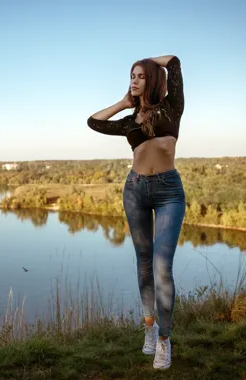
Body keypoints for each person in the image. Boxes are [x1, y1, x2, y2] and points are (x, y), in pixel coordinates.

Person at [86, 55, 185, 370]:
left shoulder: (173, 107)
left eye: (141, 75)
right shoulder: (130, 121)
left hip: (169, 191)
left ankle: (165, 341)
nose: (134, 79)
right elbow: (94, 122)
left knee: (162, 269)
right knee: (144, 264)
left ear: (153, 79)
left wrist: (146, 61)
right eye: (131, 75)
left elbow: (175, 62)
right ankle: (149, 328)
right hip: (135, 191)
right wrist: (123, 102)